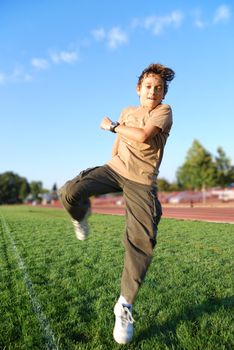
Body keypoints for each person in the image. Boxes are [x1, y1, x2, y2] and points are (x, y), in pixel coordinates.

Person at [59, 63, 175, 344]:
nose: (153, 91)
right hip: (115, 168)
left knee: (142, 239)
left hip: (141, 180)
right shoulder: (127, 111)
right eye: (148, 86)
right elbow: (120, 143)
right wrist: (112, 154)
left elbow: (144, 135)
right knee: (69, 191)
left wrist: (112, 126)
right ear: (139, 89)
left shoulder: (163, 111)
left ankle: (124, 305)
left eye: (158, 88)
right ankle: (80, 215)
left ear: (163, 93)